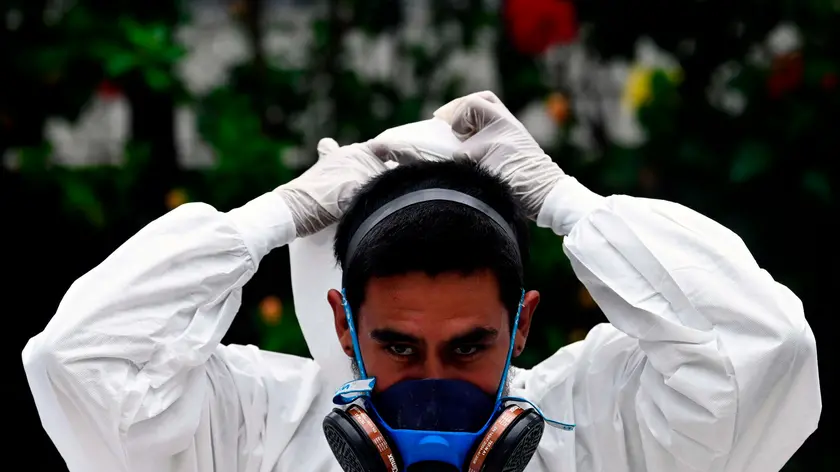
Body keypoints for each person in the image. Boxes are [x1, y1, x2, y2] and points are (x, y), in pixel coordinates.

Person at [23, 91, 820, 472]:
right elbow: (78, 361)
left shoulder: (601, 429)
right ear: (343, 324)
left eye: (470, 346)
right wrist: (273, 216)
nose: (433, 383)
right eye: (398, 346)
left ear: (521, 325)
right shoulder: (251, 430)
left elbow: (764, 351)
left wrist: (565, 203)